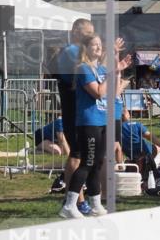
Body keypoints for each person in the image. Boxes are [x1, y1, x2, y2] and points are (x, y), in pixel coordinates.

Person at [61, 35, 130, 218]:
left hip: (102, 121)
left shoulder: (101, 68)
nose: (99, 48)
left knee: (97, 164)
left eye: (100, 45)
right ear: (86, 49)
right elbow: (98, 93)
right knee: (87, 163)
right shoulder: (83, 69)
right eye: (94, 45)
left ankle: (96, 205)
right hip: (88, 121)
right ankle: (69, 205)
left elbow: (112, 89)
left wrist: (116, 66)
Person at [53, 19, 95, 202]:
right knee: (77, 153)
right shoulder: (72, 51)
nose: (91, 38)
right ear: (76, 32)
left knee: (81, 154)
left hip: (80, 110)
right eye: (88, 34)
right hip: (74, 110)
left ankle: (76, 198)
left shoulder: (77, 51)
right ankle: (75, 199)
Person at [120, 109, 160, 175]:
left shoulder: (115, 128)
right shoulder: (136, 125)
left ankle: (158, 163)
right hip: (145, 152)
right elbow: (151, 137)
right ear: (127, 114)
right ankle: (154, 163)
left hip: (132, 155)